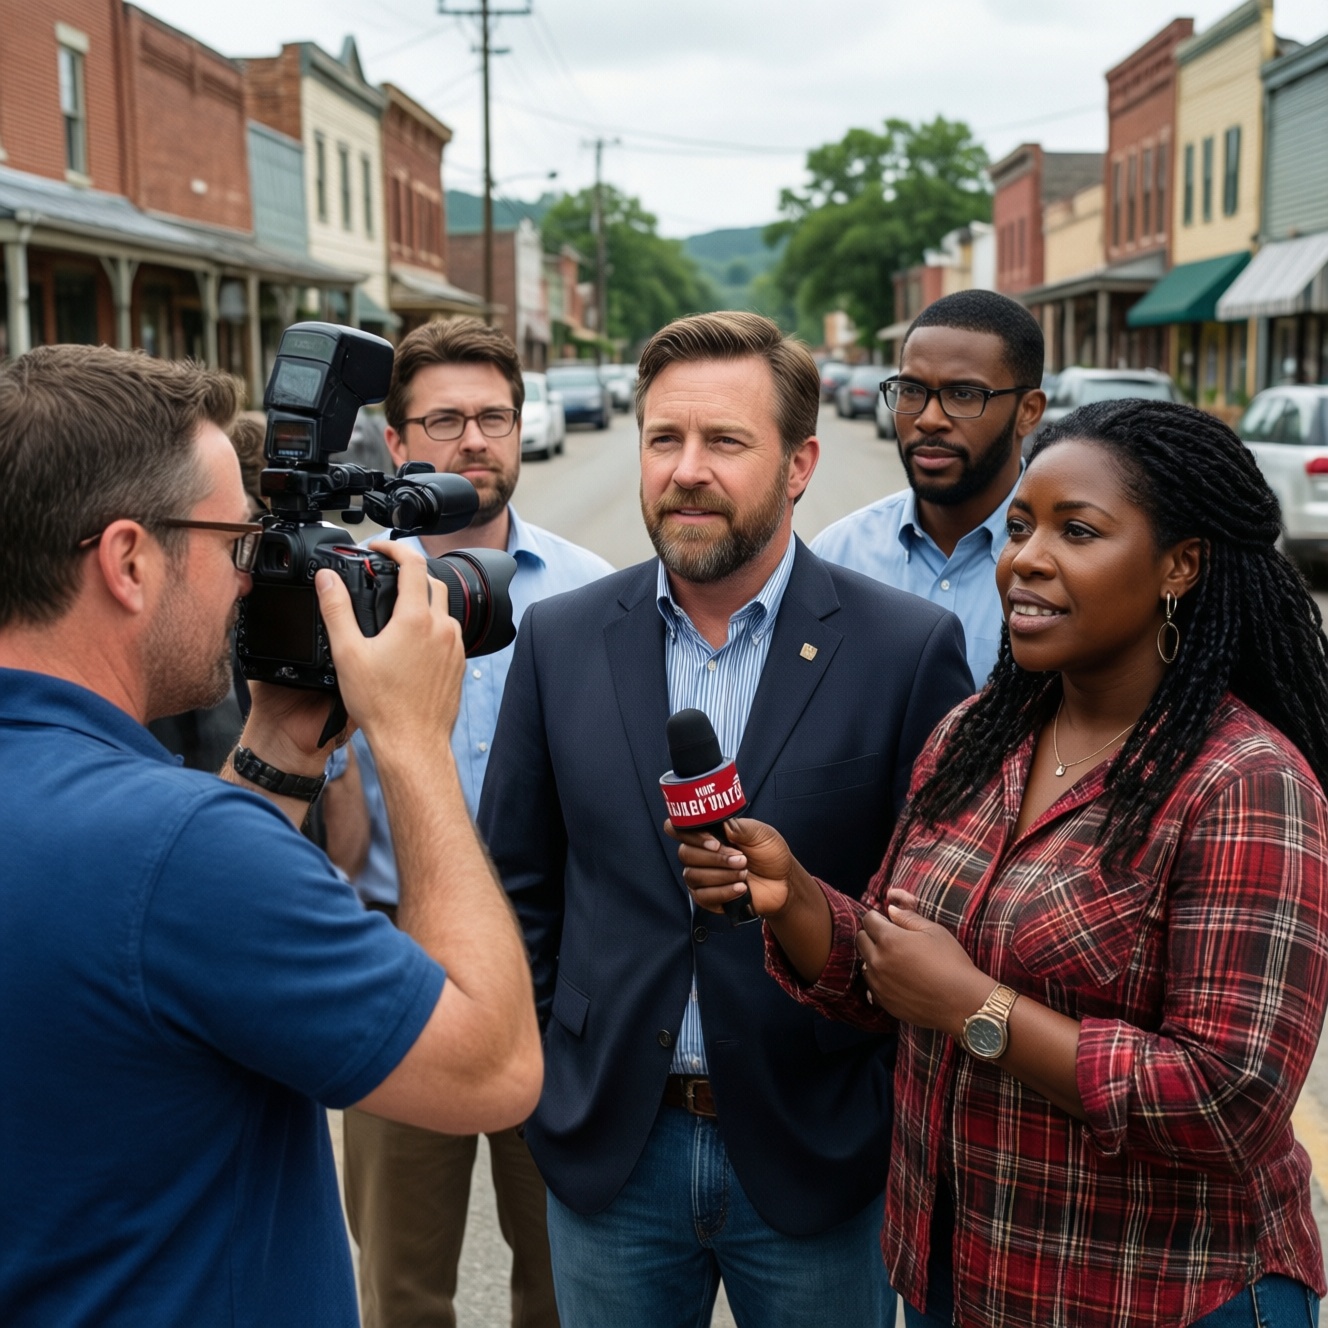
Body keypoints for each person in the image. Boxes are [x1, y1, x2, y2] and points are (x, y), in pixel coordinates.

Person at [675, 398, 1328, 1328]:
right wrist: (796, 900)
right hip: (963, 1275)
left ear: (1180, 565)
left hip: (1160, 1293)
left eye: (1078, 531)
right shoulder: (977, 737)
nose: (1026, 558)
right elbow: (898, 972)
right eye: (1020, 527)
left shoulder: (1245, 781)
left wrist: (976, 1010)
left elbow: (1229, 1101)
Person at [0, 344, 542, 1326]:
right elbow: (493, 1068)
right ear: (128, 561)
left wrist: (278, 750)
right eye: (239, 545)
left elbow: (162, 957)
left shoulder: (148, 841)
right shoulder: (178, 847)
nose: (254, 582)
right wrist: (411, 739)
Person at [477, 311, 973, 1327]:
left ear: (799, 466)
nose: (686, 470)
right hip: (612, 1150)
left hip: (818, 1151)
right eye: (664, 438)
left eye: (725, 441)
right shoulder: (560, 639)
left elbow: (940, 913)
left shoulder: (904, 650)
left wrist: (880, 1101)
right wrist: (547, 1082)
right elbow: (517, 888)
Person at [321, 317, 610, 1328]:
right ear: (398, 442)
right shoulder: (342, 597)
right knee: (401, 1288)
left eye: (495, 416)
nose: (474, 439)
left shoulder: (594, 593)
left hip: (553, 984)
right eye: (444, 420)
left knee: (563, 1284)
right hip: (393, 977)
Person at [812, 289, 1047, 688]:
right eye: (911, 391)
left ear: (1028, 411)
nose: (928, 419)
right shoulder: (836, 558)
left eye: (964, 394)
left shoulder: (1065, 569)